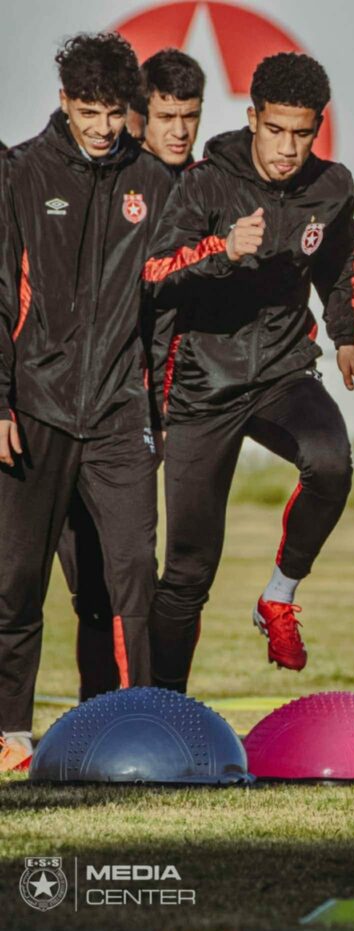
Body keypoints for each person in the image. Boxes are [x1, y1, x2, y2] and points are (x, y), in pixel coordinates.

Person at [144, 52, 354, 692]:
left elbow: (337, 261)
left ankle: (278, 596)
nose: (287, 148)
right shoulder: (205, 183)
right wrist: (222, 252)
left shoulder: (332, 187)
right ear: (252, 118)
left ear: (318, 128)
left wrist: (346, 338)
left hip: (282, 373)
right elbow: (156, 273)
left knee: (331, 462)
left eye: (301, 133)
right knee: (189, 569)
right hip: (203, 386)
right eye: (275, 130)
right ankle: (163, 709)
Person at [0, 33, 175, 771]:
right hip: (32, 410)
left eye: (114, 113)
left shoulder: (153, 180)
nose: (104, 128)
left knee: (133, 569)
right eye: (89, 112)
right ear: (65, 102)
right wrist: (1, 402)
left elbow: (167, 309)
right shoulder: (20, 172)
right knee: (15, 581)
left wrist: (161, 410)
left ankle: (135, 726)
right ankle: (10, 733)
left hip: (118, 413)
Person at [61, 47, 206, 704]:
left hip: (148, 412)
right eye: (164, 116)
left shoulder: (202, 188)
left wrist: (166, 411)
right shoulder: (96, 179)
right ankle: (95, 715)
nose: (179, 130)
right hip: (66, 406)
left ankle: (151, 712)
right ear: (140, 115)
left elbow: (176, 320)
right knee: (87, 580)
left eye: (189, 117)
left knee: (154, 575)